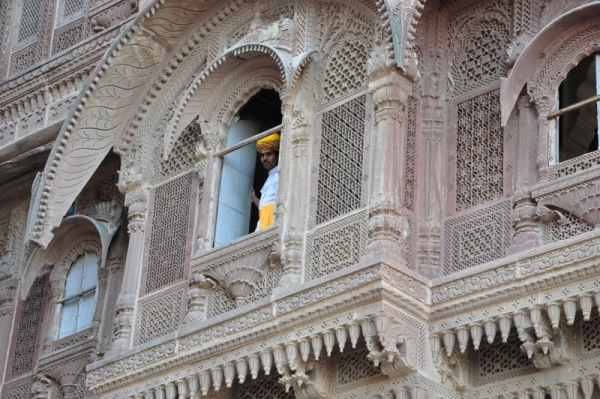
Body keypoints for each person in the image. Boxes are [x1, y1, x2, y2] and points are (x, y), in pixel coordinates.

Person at [251, 133, 279, 230]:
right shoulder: (270, 177)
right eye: (262, 155)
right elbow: (265, 207)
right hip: (263, 225)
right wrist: (255, 200)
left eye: (269, 154)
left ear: (277, 155)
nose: (265, 158)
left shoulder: (280, 174)